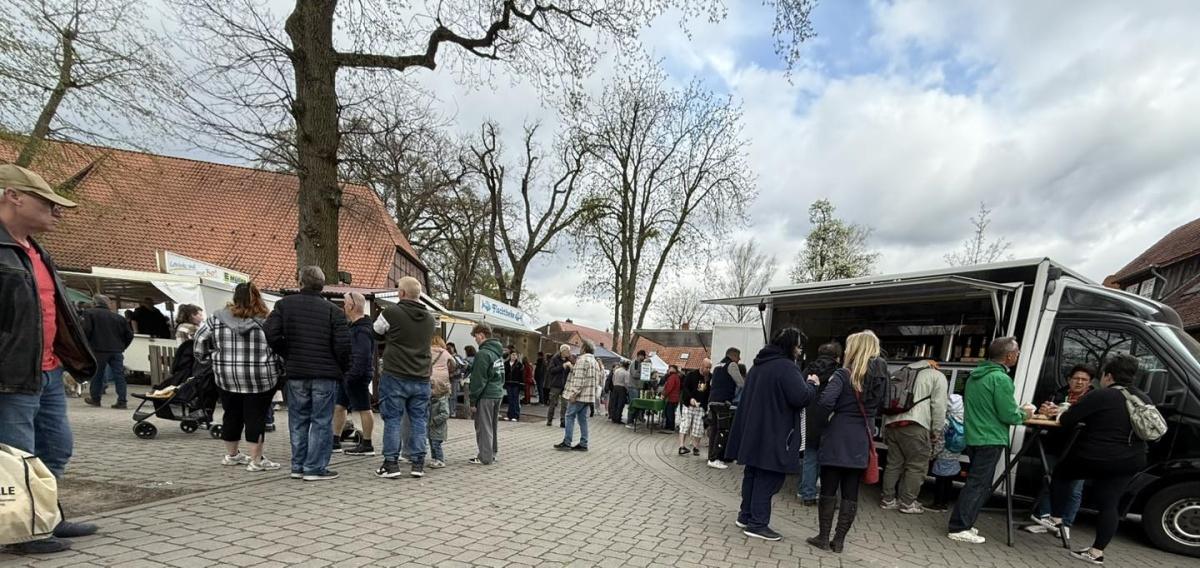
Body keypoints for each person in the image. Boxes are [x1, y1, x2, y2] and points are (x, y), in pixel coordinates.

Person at [0, 164, 99, 554]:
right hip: (11, 374)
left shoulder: (34, 251)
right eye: (48, 203)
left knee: (56, 447)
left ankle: (46, 516)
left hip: (47, 370)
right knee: (16, 457)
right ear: (13, 196)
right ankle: (23, 531)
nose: (56, 212)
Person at [1043, 354, 1150, 565]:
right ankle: (1096, 552)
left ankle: (1055, 518)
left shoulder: (1102, 395)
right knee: (1110, 504)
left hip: (1098, 457)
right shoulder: (1142, 397)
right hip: (1132, 459)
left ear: (1108, 376)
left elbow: (1067, 420)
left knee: (1062, 472)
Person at [725, 328, 816, 542]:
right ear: (790, 346)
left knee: (753, 474)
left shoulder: (759, 365)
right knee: (769, 478)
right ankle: (757, 524)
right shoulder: (786, 367)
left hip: (754, 431)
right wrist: (812, 384)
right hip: (775, 433)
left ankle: (745, 516)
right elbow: (800, 397)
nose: (800, 350)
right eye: (799, 345)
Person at [264, 265, 350, 482]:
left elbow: (270, 333)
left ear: (300, 282)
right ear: (322, 285)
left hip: (297, 371)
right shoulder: (334, 311)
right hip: (325, 373)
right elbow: (343, 346)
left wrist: (287, 352)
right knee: (321, 420)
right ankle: (315, 467)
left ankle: (298, 465)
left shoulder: (284, 305)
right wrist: (340, 367)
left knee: (298, 419)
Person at [947, 336, 1035, 544]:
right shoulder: (1001, 379)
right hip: (991, 437)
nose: (1018, 355)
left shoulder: (976, 375)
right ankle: (959, 527)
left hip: (974, 436)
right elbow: (1008, 415)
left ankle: (965, 523)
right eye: (1017, 352)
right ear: (1009, 355)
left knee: (976, 482)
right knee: (978, 484)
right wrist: (1025, 414)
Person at [807, 331, 887, 554]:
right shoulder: (881, 376)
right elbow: (883, 404)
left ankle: (823, 537)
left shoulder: (844, 374)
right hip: (862, 436)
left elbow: (825, 402)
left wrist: (827, 419)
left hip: (838, 435)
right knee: (851, 491)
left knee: (829, 487)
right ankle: (839, 540)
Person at [196, 283, 283, 473]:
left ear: (235, 298)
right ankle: (256, 460)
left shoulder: (215, 319)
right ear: (258, 298)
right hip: (260, 377)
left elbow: (199, 343)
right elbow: (279, 347)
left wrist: (211, 359)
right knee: (256, 416)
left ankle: (232, 455)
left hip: (226, 376)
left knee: (231, 414)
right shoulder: (267, 322)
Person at [372, 276, 435, 479]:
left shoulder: (391, 312)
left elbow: (376, 332)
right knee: (418, 420)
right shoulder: (430, 319)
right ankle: (418, 464)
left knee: (393, 419)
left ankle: (391, 464)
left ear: (402, 293)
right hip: (422, 376)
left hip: (396, 375)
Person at [1027, 364, 1095, 535]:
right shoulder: (1058, 394)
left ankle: (1065, 525)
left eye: (1084, 380)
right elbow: (1048, 413)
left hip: (1079, 449)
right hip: (1055, 444)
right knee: (1049, 481)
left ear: (1090, 383)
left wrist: (1069, 412)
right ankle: (1044, 519)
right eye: (1076, 379)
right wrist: (1045, 410)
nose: (1079, 382)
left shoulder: (1093, 398)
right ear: (1069, 380)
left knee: (1074, 488)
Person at [880, 359, 948, 514]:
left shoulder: (898, 374)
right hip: (916, 425)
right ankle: (908, 503)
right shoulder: (935, 375)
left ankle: (888, 500)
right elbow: (939, 406)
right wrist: (937, 431)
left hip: (892, 424)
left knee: (893, 464)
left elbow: (886, 402)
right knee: (916, 466)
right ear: (933, 364)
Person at [332, 293, 376, 457]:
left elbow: (362, 357)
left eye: (345, 303)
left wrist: (351, 376)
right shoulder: (356, 327)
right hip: (349, 375)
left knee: (364, 408)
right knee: (340, 406)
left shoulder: (362, 330)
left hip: (356, 376)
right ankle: (335, 440)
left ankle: (367, 444)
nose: (343, 307)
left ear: (351, 306)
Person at [798, 342, 842, 505]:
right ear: (837, 357)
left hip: (809, 418)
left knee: (810, 457)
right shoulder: (839, 373)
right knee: (831, 461)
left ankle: (806, 493)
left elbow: (800, 391)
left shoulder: (808, 369)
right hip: (830, 419)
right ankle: (829, 497)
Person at [81, 294, 134, 409]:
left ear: (95, 303)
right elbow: (129, 335)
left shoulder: (89, 313)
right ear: (108, 304)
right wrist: (122, 347)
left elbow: (86, 331)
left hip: (98, 349)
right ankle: (122, 400)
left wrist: (87, 346)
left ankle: (96, 399)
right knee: (119, 375)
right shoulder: (119, 318)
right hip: (116, 350)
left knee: (97, 375)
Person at [468, 323, 505, 465]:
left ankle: (485, 456)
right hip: (497, 393)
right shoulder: (497, 353)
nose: (475, 340)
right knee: (492, 425)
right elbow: (502, 375)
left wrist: (473, 400)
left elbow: (478, 380)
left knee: (483, 426)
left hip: (485, 395)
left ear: (480, 335)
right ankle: (492, 452)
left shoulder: (483, 354)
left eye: (475, 337)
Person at [555, 341, 602, 451]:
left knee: (569, 416)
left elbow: (579, 380)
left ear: (584, 348)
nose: (580, 349)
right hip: (588, 396)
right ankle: (583, 443)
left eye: (581, 347)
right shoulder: (595, 362)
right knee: (582, 419)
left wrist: (574, 394)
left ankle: (567, 442)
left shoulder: (582, 360)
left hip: (579, 396)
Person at [707, 347, 745, 470]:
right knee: (723, 430)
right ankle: (715, 458)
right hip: (723, 402)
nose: (739, 359)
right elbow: (741, 383)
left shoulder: (718, 365)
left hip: (712, 401)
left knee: (714, 429)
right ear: (733, 356)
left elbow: (712, 383)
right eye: (738, 357)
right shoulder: (732, 365)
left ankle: (711, 456)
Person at [929, 393, 965, 512]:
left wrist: (933, 454)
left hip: (944, 454)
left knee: (940, 480)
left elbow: (940, 441)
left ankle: (937, 503)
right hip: (956, 454)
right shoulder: (965, 419)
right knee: (949, 480)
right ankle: (945, 503)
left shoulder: (946, 422)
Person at [427, 334, 456, 468]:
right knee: (440, 400)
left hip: (430, 380)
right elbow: (455, 364)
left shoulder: (427, 350)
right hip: (443, 382)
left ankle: (437, 459)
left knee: (429, 402)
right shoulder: (445, 352)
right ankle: (437, 459)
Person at [677, 359, 712, 456]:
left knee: (699, 427)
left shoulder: (709, 377)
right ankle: (681, 446)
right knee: (685, 424)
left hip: (700, 406)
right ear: (702, 365)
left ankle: (696, 447)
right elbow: (685, 388)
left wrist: (706, 405)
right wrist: (690, 399)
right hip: (689, 404)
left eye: (709, 368)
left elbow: (709, 392)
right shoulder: (691, 375)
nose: (708, 370)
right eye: (706, 367)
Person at [545, 345, 571, 427]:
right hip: (555, 384)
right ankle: (549, 420)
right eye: (567, 351)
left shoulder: (568, 360)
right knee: (553, 403)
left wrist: (571, 368)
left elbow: (570, 373)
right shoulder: (555, 359)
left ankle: (563, 421)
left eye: (569, 351)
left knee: (564, 404)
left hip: (565, 385)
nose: (568, 352)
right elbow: (551, 370)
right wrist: (562, 366)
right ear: (562, 351)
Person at [503, 350, 523, 421]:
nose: (514, 356)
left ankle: (516, 415)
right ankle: (509, 415)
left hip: (516, 384)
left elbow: (521, 375)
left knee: (515, 400)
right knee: (510, 399)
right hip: (508, 383)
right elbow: (504, 373)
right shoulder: (506, 363)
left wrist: (521, 384)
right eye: (512, 355)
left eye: (515, 355)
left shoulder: (519, 365)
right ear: (510, 356)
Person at [662, 365, 682, 431]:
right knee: (670, 412)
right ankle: (668, 426)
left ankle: (670, 427)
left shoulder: (673, 377)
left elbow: (669, 387)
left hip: (672, 398)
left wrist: (664, 395)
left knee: (669, 413)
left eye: (670, 368)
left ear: (674, 369)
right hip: (674, 397)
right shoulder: (675, 376)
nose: (669, 369)